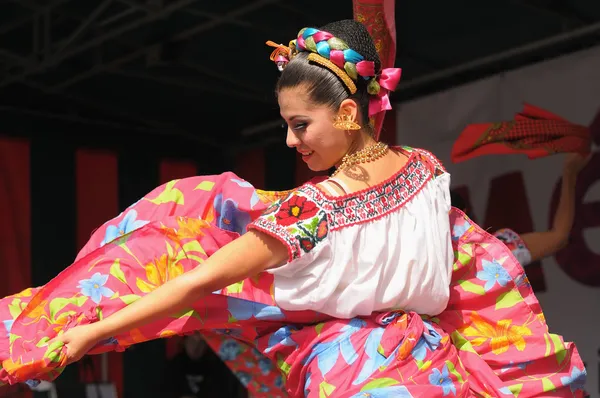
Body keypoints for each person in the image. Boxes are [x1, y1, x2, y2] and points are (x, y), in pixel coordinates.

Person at [0, 20, 586, 397]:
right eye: (285, 125)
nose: (290, 141)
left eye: (300, 124)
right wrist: (569, 176)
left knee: (181, 244)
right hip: (428, 373)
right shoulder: (426, 172)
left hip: (359, 372)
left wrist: (94, 331)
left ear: (351, 113)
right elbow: (521, 247)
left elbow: (193, 283)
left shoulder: (317, 210)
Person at [451, 152, 590, 267]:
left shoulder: (491, 252)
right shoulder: (490, 252)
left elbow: (558, 238)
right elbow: (558, 237)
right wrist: (570, 174)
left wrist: (570, 173)